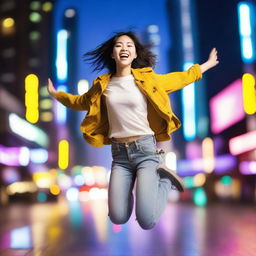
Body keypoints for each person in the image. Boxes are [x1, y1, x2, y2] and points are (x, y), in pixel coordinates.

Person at [48, 31, 219, 230]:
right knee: (117, 217)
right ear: (112, 54)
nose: (124, 49)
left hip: (146, 152)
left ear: (135, 54)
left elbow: (181, 78)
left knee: (147, 221)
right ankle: (135, 189)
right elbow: (79, 102)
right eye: (119, 45)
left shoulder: (148, 80)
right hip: (120, 157)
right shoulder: (102, 85)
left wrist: (206, 65)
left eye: (129, 46)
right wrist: (56, 94)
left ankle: (164, 179)